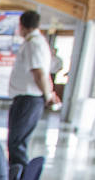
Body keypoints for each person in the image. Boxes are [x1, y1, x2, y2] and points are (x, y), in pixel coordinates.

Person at [6, 10, 60, 169]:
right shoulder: (38, 42)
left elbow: (39, 73)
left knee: (16, 143)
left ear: (22, 26)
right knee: (17, 141)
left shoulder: (33, 43)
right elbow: (44, 74)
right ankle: (18, 176)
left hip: (28, 99)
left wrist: (48, 96)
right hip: (28, 98)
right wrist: (50, 92)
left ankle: (20, 179)